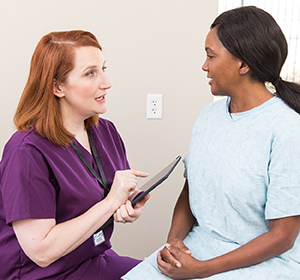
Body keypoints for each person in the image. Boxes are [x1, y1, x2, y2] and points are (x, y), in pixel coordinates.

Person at [122, 6, 300, 280]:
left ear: (243, 64)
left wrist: (202, 270)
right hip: (202, 246)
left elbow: (283, 237)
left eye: (211, 56)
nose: (204, 66)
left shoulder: (286, 129)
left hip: (264, 260)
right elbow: (191, 189)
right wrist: (173, 244)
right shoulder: (209, 117)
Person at [0, 30, 150, 280]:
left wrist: (126, 203)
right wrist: (111, 202)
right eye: (91, 73)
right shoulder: (26, 151)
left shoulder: (105, 132)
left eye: (103, 68)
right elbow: (41, 251)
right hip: (41, 274)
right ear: (58, 87)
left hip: (92, 257)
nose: (106, 82)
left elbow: (105, 194)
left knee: (164, 274)